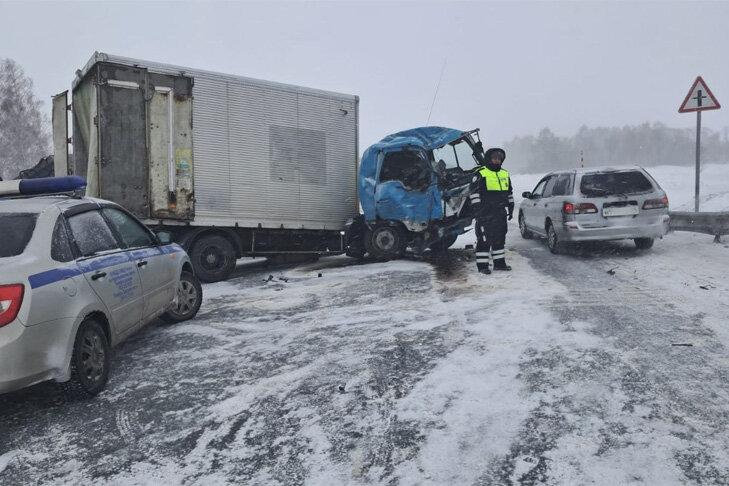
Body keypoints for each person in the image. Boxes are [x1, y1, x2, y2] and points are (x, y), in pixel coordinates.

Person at [470, 147, 514, 274]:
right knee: (484, 240)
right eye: (494, 158)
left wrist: (510, 206)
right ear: (489, 159)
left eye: (499, 159)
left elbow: (509, 192)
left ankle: (499, 264)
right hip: (485, 212)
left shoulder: (504, 173)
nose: (497, 161)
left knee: (500, 238)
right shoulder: (481, 173)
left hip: (500, 212)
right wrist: (477, 209)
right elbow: (474, 192)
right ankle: (483, 266)